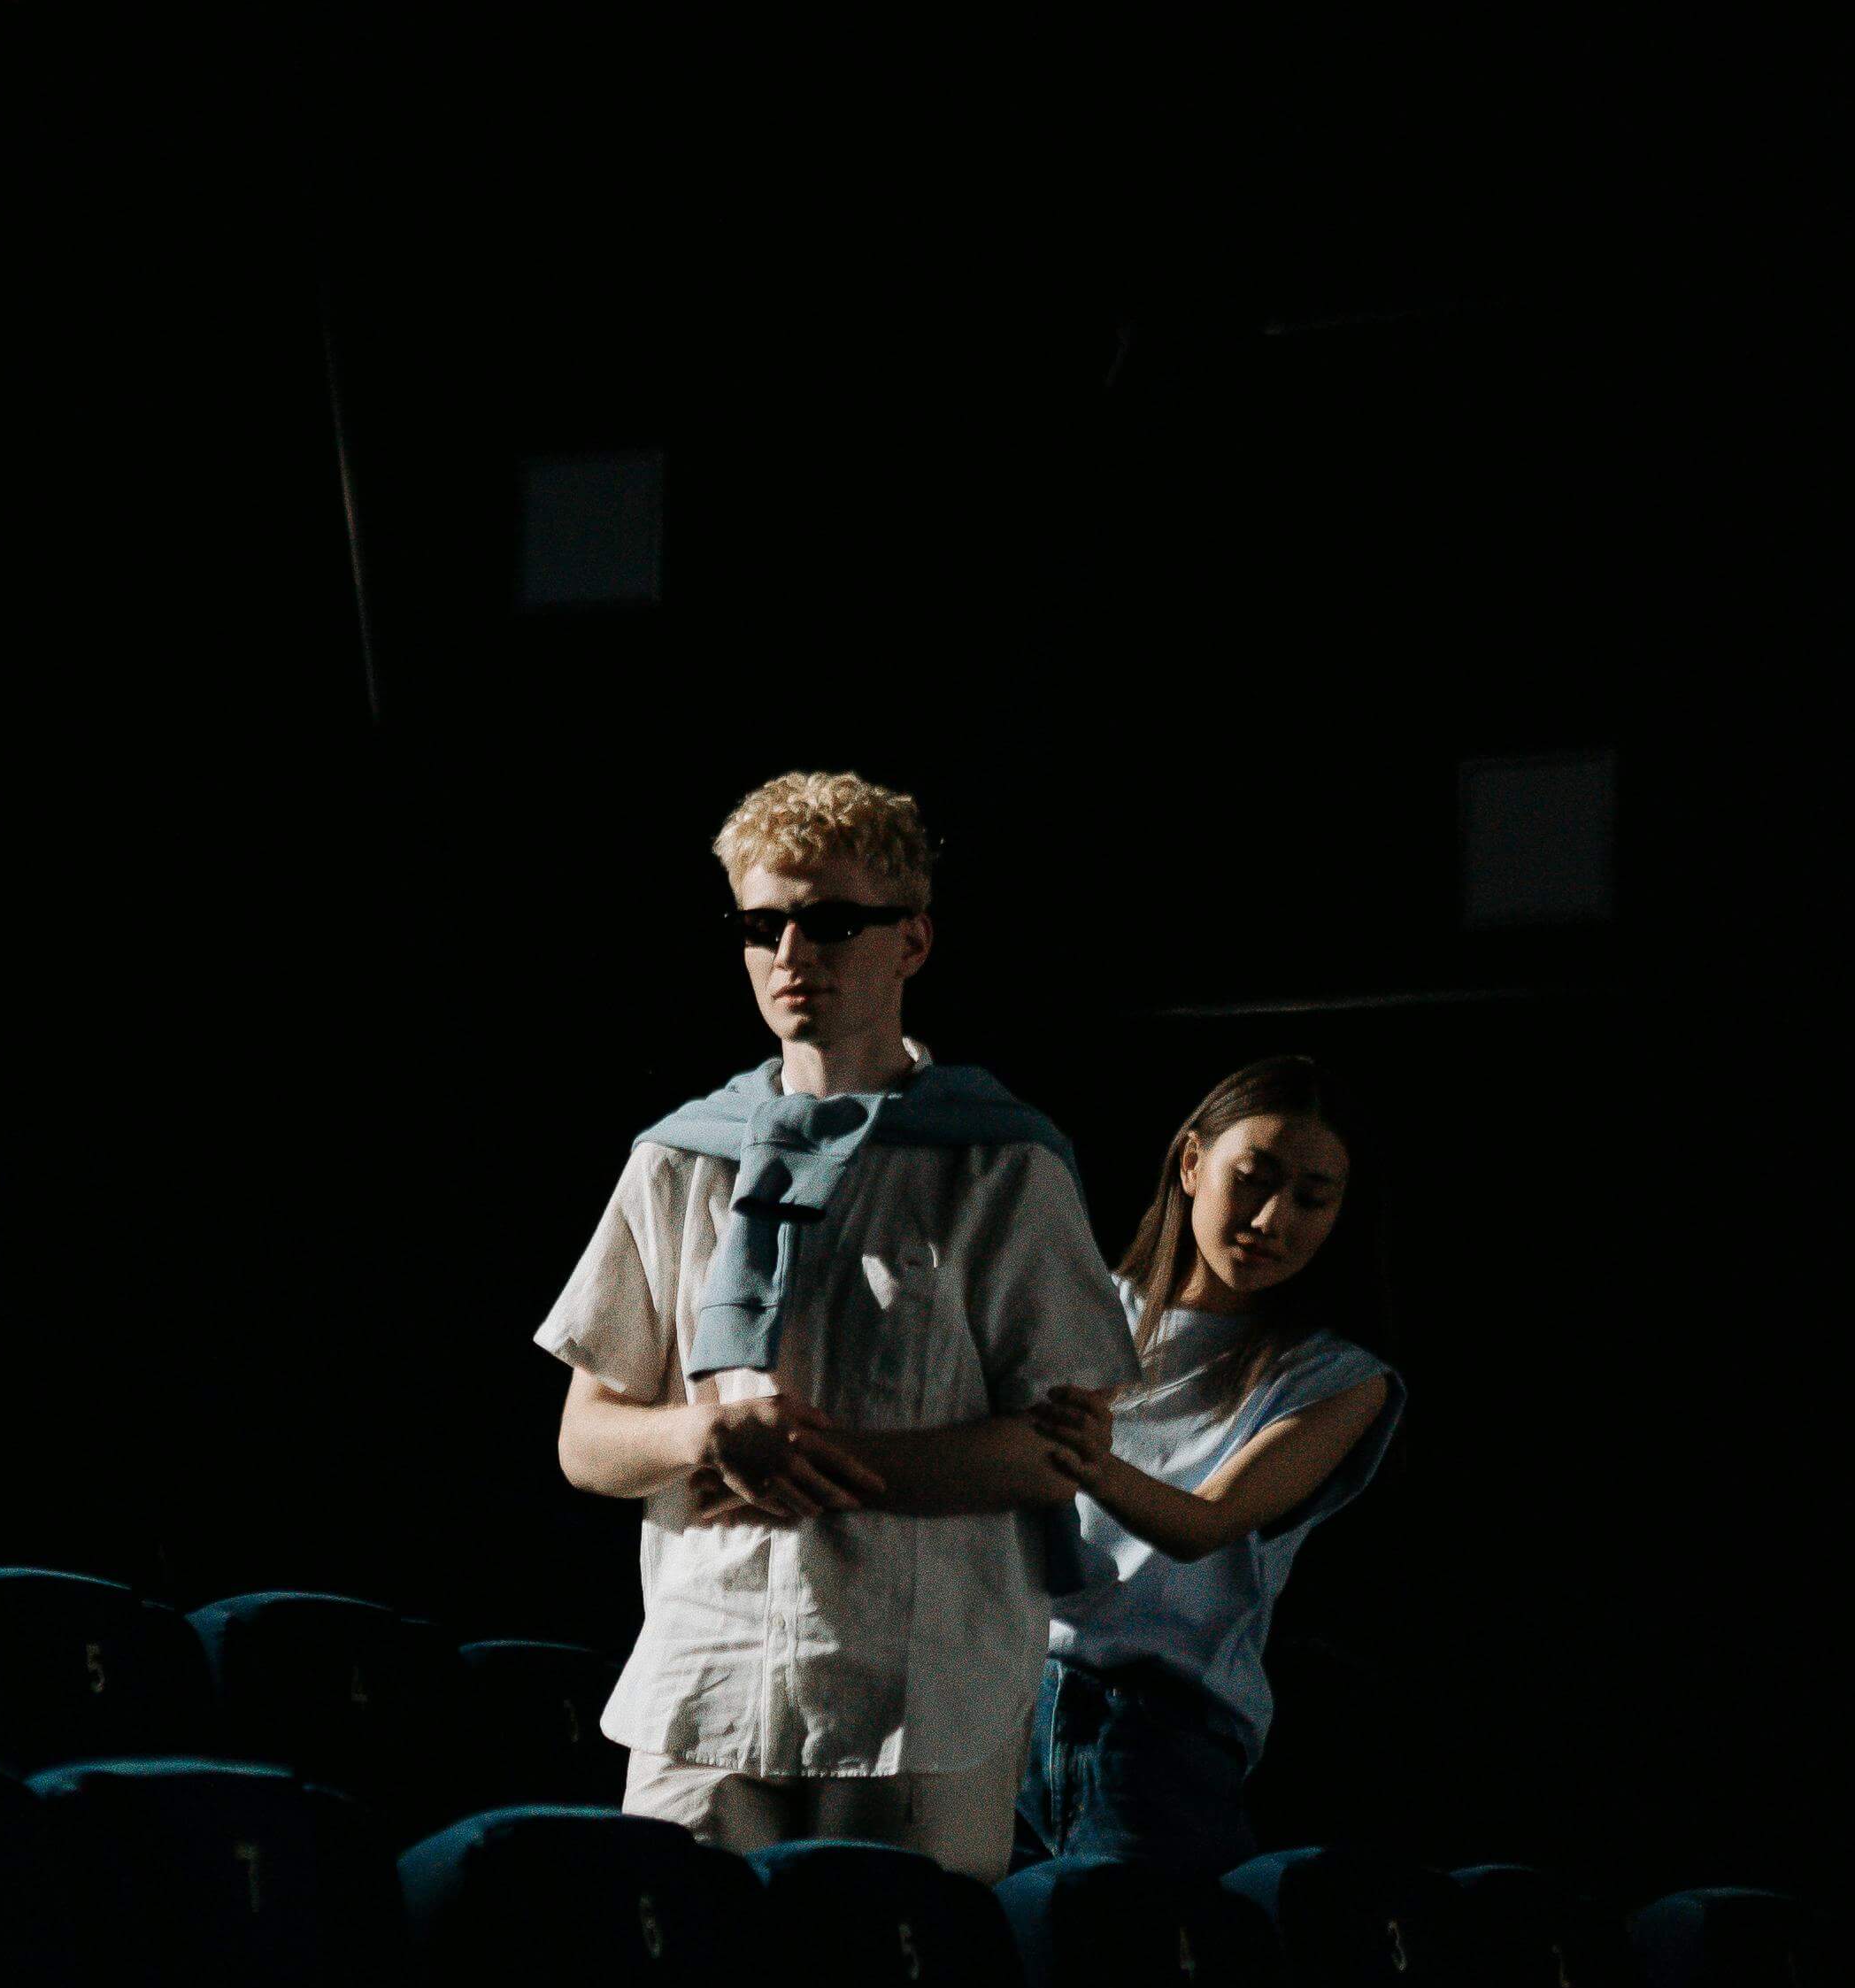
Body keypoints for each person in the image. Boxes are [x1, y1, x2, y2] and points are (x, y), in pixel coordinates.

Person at [535, 770, 1134, 1882]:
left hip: (919, 1691)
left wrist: (811, 1459)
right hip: (707, 1677)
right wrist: (706, 1440)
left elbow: (1059, 1448)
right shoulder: (680, 1156)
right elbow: (586, 1435)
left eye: (831, 922)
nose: (791, 953)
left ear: (911, 942)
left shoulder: (998, 1161)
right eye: (762, 925)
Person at [1018, 1055, 1405, 1877]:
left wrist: (1089, 1459)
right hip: (997, 1706)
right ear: (1192, 1163)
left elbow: (1205, 1523)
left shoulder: (1337, 1379)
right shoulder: (1083, 1313)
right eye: (1253, 1178)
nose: (1272, 1219)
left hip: (1158, 1738)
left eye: (1311, 1198)